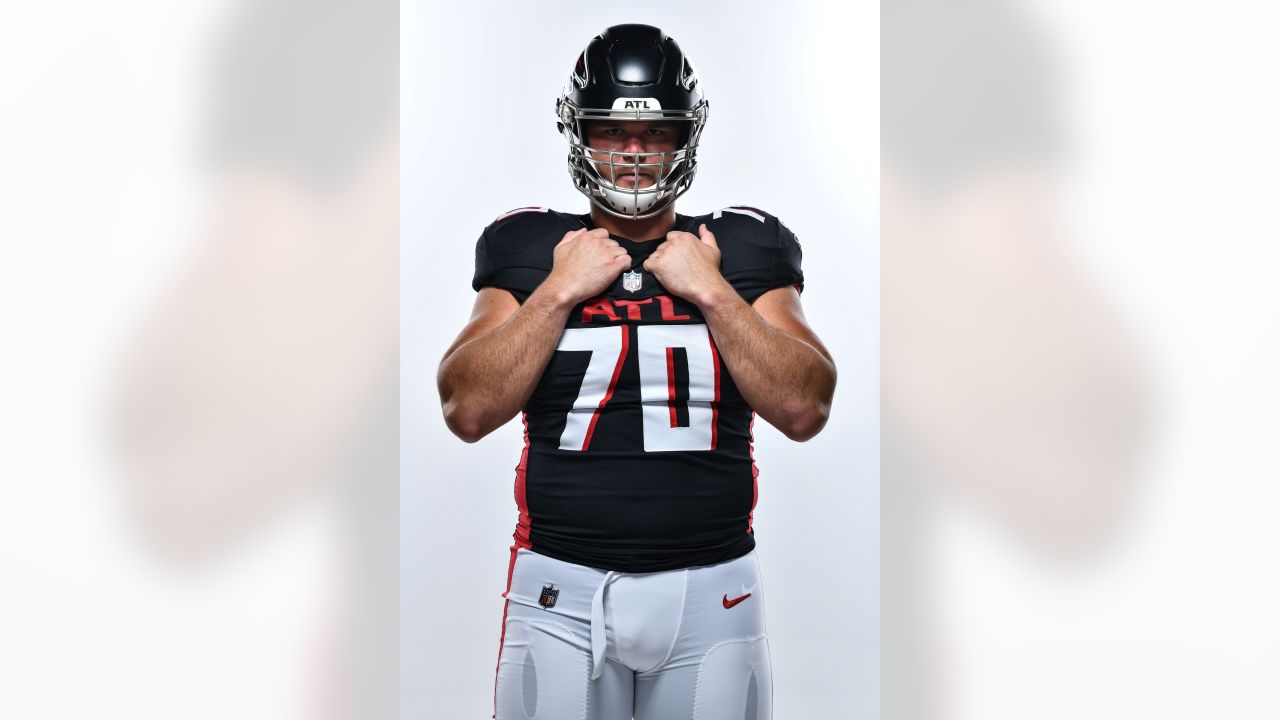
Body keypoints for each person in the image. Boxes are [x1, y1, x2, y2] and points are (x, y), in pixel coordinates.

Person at [437, 24, 836, 720]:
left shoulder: (740, 246)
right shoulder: (532, 248)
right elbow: (466, 408)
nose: (631, 153)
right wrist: (558, 290)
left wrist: (712, 292)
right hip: (559, 588)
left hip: (715, 589)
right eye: (611, 130)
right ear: (577, 131)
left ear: (686, 137)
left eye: (654, 133)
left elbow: (807, 406)